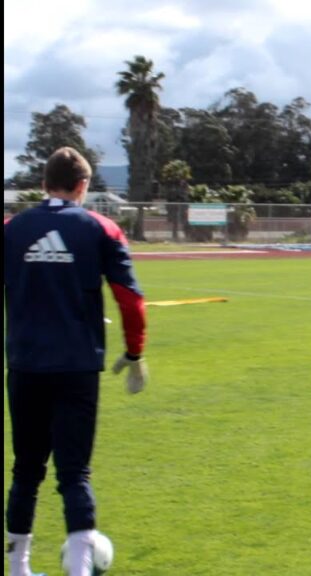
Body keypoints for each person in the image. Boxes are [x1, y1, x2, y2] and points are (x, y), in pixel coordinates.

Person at [4, 147, 149, 576]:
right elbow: (131, 299)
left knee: (26, 470)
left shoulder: (12, 230)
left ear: (44, 183)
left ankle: (18, 568)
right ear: (83, 186)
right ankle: (80, 571)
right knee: (74, 473)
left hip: (25, 365)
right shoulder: (101, 228)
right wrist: (135, 351)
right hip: (76, 368)